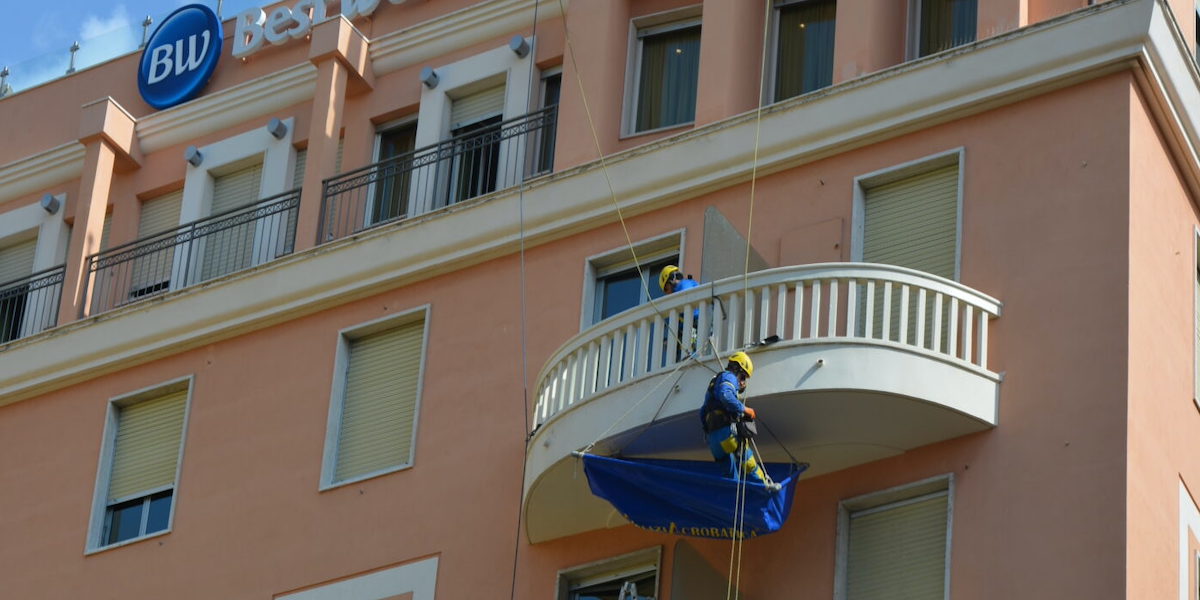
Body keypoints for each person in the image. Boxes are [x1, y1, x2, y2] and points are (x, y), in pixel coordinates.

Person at [699, 351, 767, 483]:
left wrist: (707, 432)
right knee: (748, 462)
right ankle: (765, 486)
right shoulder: (729, 376)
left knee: (730, 478)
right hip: (727, 435)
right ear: (738, 369)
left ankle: (732, 498)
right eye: (743, 377)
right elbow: (726, 396)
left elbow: (702, 412)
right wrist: (745, 409)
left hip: (713, 442)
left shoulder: (712, 386)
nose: (743, 382)